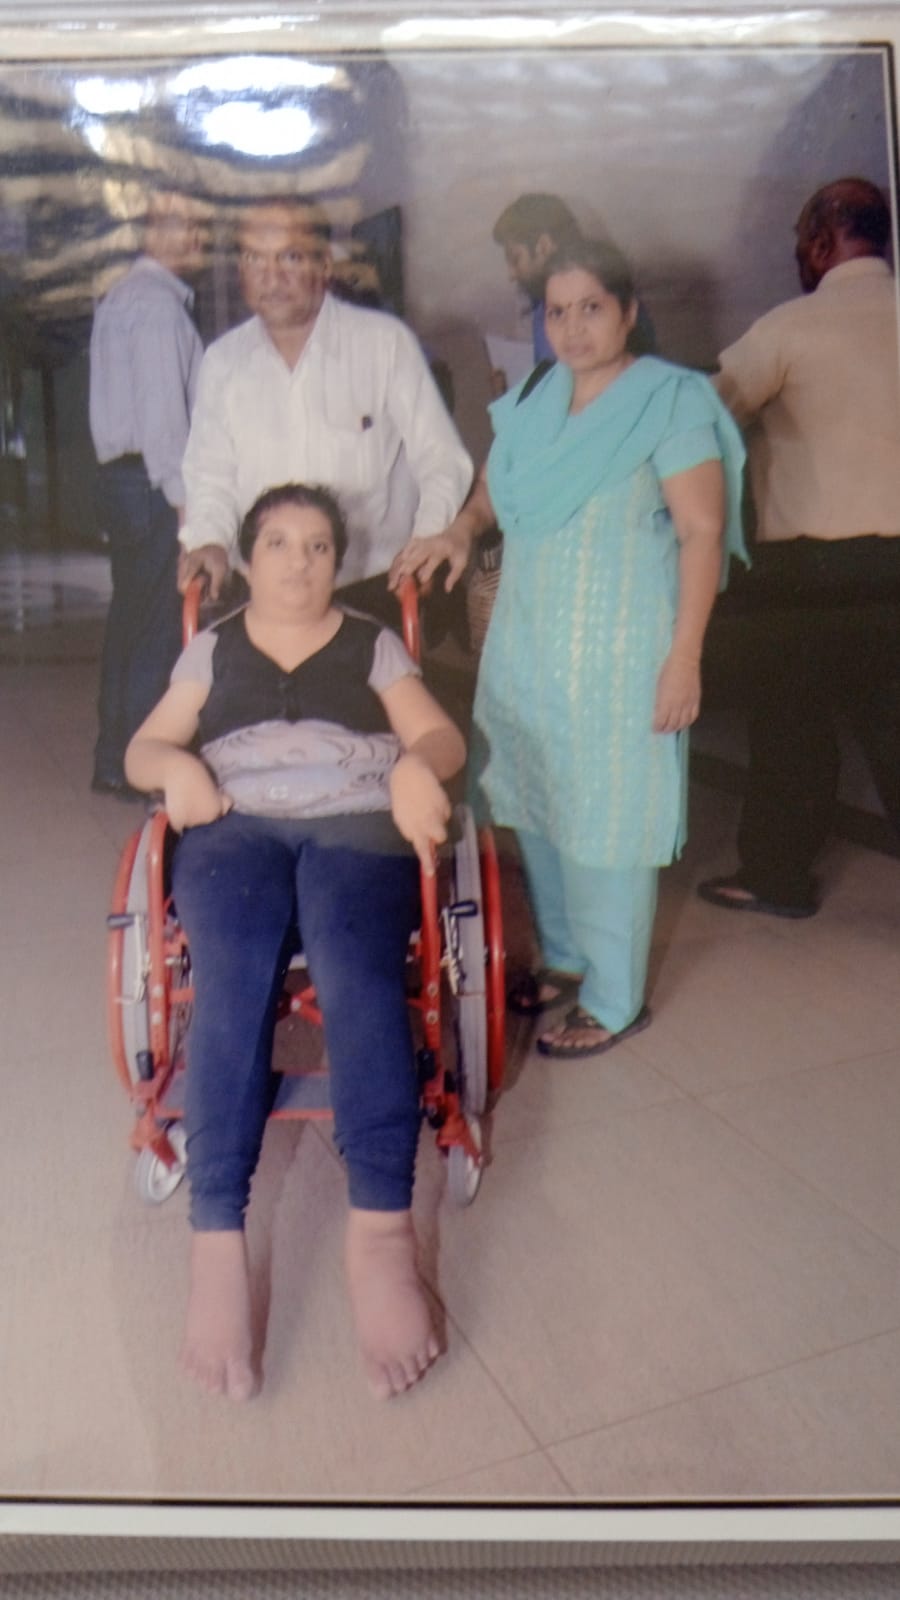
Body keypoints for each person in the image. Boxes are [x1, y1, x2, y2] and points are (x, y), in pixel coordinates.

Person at [126, 482, 465, 1402]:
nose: (299, 562)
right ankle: (215, 1246)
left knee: (356, 970)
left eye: (318, 546)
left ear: (338, 563)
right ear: (247, 559)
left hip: (357, 819)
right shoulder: (213, 646)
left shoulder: (371, 642)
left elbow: (438, 736)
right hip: (233, 822)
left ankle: (382, 1237)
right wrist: (176, 768)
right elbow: (144, 748)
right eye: (278, 542)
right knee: (232, 978)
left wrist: (416, 770)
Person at [392, 239, 746, 1059]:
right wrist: (458, 530)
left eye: (592, 308)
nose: (574, 328)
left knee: (609, 818)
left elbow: (701, 532)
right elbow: (493, 493)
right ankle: (565, 955)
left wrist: (684, 658)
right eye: (558, 312)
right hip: (527, 643)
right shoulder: (533, 397)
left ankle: (615, 1000)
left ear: (628, 313)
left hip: (621, 652)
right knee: (534, 800)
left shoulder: (670, 400)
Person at [698, 176, 900, 918]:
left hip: (808, 570)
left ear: (820, 243)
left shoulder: (788, 327)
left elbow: (705, 418)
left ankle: (776, 877)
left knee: (791, 730)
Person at [177, 199, 472, 620]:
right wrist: (208, 541)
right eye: (255, 259)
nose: (271, 278)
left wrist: (426, 540)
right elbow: (211, 477)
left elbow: (441, 459)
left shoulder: (384, 344)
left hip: (369, 591)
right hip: (262, 596)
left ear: (325, 265)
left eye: (290, 258)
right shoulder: (222, 362)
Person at [89, 189, 206, 797]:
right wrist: (187, 511)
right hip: (153, 481)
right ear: (149, 233)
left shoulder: (122, 297)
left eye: (200, 227)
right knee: (158, 626)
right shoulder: (159, 308)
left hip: (124, 480)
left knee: (130, 620)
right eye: (182, 225)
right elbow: (164, 422)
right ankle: (140, 764)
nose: (197, 239)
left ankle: (113, 757)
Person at [492, 191, 656, 369]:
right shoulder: (540, 303)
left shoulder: (606, 287)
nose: (511, 274)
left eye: (515, 258)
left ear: (544, 246)